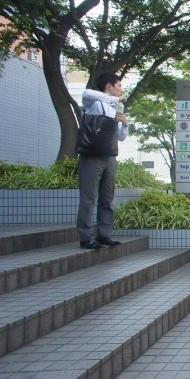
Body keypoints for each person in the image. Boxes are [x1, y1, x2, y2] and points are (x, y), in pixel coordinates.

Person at [76, 73, 129, 249]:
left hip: (110, 156)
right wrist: (116, 99)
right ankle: (86, 237)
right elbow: (87, 93)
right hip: (92, 155)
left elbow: (120, 137)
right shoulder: (94, 102)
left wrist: (125, 123)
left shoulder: (116, 109)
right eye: (119, 85)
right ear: (109, 86)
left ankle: (104, 235)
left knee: (107, 198)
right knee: (88, 197)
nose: (121, 89)